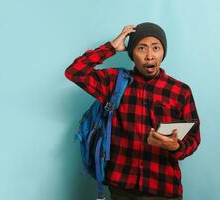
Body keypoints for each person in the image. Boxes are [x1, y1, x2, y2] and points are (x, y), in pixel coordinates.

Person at [65, 22, 201, 200]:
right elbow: (75, 72)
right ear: (132, 54)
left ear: (163, 52)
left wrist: (175, 147)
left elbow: (194, 138)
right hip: (122, 188)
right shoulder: (115, 82)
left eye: (156, 48)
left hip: (163, 188)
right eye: (141, 48)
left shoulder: (180, 91)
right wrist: (111, 47)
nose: (149, 56)